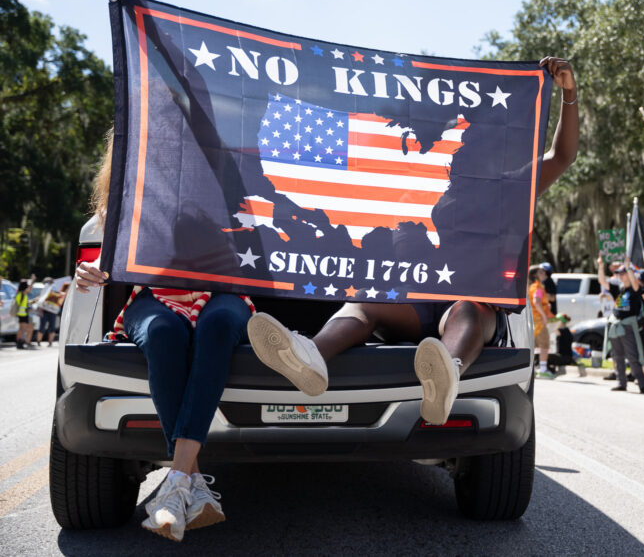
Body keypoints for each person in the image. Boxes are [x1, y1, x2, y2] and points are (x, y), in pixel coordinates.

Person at [245, 57, 579, 425]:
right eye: (457, 149)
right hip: (415, 304)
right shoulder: (418, 196)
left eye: (469, 148)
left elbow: (561, 156)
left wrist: (568, 94)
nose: (460, 153)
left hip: (466, 308)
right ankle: (310, 357)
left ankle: (446, 374)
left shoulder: (511, 191)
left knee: (467, 308)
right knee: (364, 303)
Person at [75, 122, 255, 542]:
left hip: (223, 294)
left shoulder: (225, 186)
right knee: (162, 333)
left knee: (221, 324)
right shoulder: (121, 200)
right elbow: (103, 260)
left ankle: (176, 484)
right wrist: (87, 271)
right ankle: (191, 482)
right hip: (154, 297)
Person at [598, 255, 644, 394]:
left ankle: (643, 384)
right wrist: (601, 266)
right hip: (616, 325)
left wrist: (628, 267)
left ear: (629, 274)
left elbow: (635, 284)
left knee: (633, 356)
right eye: (619, 273)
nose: (620, 276)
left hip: (628, 326)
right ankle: (621, 382)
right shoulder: (618, 289)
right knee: (617, 356)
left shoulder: (635, 289)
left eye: (623, 273)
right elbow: (603, 281)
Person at [529, 264, 558, 379]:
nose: (544, 274)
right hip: (539, 321)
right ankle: (543, 369)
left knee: (535, 345)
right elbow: (537, 302)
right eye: (541, 272)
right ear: (535, 275)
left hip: (534, 320)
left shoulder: (534, 286)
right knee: (544, 345)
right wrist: (544, 315)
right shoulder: (537, 287)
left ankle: (535, 369)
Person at [14, 279, 34, 349]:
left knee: (20, 329)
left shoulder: (18, 293)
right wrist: (32, 280)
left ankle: (18, 342)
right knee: (23, 329)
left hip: (20, 313)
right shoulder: (23, 293)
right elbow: (30, 289)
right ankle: (20, 343)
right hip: (24, 314)